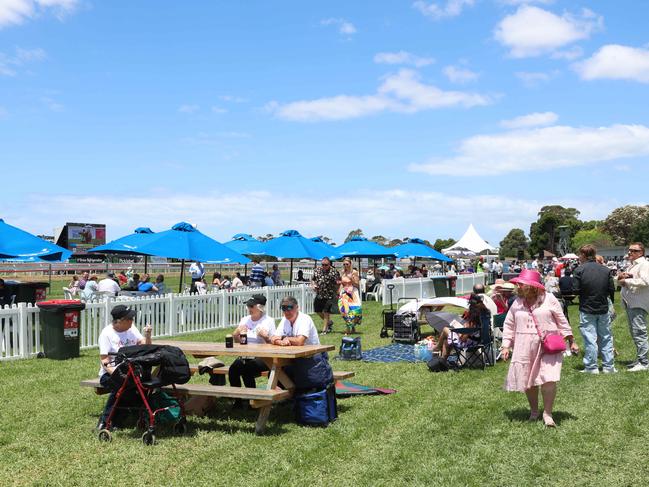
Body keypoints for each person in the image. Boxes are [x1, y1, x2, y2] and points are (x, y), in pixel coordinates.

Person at [501, 269, 578, 428]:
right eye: (518, 284)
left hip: (548, 345)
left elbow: (562, 321)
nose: (518, 287)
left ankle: (547, 413)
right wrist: (505, 346)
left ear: (533, 286)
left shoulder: (549, 299)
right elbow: (509, 324)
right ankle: (534, 411)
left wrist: (572, 340)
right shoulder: (517, 302)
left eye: (522, 284)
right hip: (524, 345)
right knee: (529, 381)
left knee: (549, 379)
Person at [96, 305, 152, 430]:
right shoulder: (107, 334)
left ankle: (128, 417)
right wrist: (118, 375)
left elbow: (146, 348)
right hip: (109, 373)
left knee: (142, 385)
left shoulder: (131, 329)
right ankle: (105, 421)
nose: (132, 321)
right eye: (130, 318)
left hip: (132, 371)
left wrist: (147, 335)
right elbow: (104, 360)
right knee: (121, 387)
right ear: (120, 321)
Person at [572, 244, 616, 374]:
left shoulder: (579, 270)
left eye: (580, 254)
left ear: (584, 255)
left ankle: (591, 367)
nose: (579, 257)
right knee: (606, 337)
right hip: (603, 307)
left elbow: (575, 290)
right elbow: (611, 289)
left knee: (590, 338)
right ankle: (609, 366)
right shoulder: (605, 270)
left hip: (587, 308)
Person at [229, 295, 276, 407]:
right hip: (246, 355)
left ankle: (253, 400)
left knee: (247, 369)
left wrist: (265, 337)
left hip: (264, 356)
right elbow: (238, 341)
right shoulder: (245, 320)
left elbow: (273, 344)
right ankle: (237, 400)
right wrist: (236, 335)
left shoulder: (268, 321)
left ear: (260, 307)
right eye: (247, 305)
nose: (248, 308)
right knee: (233, 370)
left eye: (251, 306)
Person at [618, 242, 649, 371]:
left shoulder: (644, 264)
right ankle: (641, 359)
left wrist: (627, 281)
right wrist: (622, 277)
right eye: (629, 250)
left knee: (639, 332)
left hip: (638, 303)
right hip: (631, 302)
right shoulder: (633, 265)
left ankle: (644, 362)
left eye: (633, 250)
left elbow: (645, 281)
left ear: (641, 252)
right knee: (635, 332)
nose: (630, 252)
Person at [434, 293, 487, 358]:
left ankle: (437, 348)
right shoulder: (484, 317)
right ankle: (442, 360)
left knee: (445, 329)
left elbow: (463, 339)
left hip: (469, 344)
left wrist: (460, 331)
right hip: (479, 341)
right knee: (447, 338)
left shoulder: (472, 322)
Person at [311, 257, 340, 334]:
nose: (324, 266)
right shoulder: (317, 270)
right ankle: (329, 322)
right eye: (323, 264)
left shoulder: (334, 272)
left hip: (329, 294)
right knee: (317, 310)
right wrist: (313, 285)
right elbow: (313, 279)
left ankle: (324, 330)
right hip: (319, 294)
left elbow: (338, 282)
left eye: (326, 265)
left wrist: (337, 291)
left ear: (329, 264)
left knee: (326, 312)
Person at [338, 257, 362, 334]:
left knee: (356, 311)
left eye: (347, 264)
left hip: (353, 293)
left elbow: (357, 284)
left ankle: (352, 326)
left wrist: (351, 280)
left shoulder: (354, 272)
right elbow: (342, 283)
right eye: (344, 264)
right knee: (345, 311)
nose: (345, 265)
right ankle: (348, 328)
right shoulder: (342, 272)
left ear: (350, 264)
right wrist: (339, 292)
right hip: (344, 293)